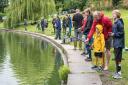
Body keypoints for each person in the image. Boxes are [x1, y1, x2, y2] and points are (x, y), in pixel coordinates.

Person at [110, 10, 125, 79]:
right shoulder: (115, 22)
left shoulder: (119, 22)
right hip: (116, 42)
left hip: (119, 43)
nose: (113, 15)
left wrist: (114, 34)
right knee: (116, 58)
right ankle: (117, 71)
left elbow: (122, 33)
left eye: (114, 14)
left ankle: (119, 73)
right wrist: (112, 33)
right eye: (112, 14)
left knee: (118, 58)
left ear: (117, 14)